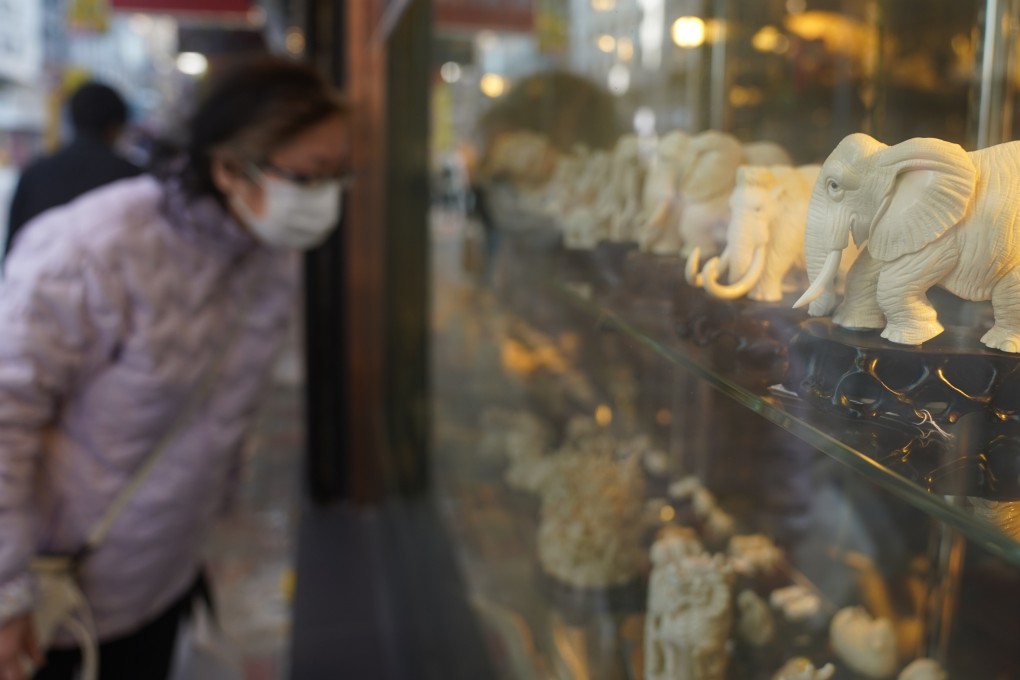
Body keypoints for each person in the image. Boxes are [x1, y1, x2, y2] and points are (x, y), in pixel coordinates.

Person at [0, 56, 350, 679]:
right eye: (311, 176)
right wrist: (5, 595)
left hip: (164, 579)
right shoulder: (91, 250)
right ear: (228, 168)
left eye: (339, 177)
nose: (326, 198)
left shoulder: (268, 253)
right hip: (55, 599)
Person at [5, 82, 142, 260]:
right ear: (115, 127)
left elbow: (12, 252)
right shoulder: (134, 178)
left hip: (37, 284)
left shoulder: (34, 173)